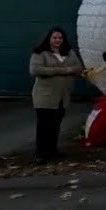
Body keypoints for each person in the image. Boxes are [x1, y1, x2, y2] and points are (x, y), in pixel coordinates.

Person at [29, 26, 84, 162]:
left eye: (60, 38)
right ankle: (40, 153)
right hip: (45, 96)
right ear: (49, 39)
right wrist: (63, 70)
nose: (58, 40)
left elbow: (78, 68)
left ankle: (52, 150)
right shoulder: (41, 53)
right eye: (55, 37)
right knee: (44, 125)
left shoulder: (69, 52)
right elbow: (35, 70)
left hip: (62, 96)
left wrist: (69, 69)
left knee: (55, 124)